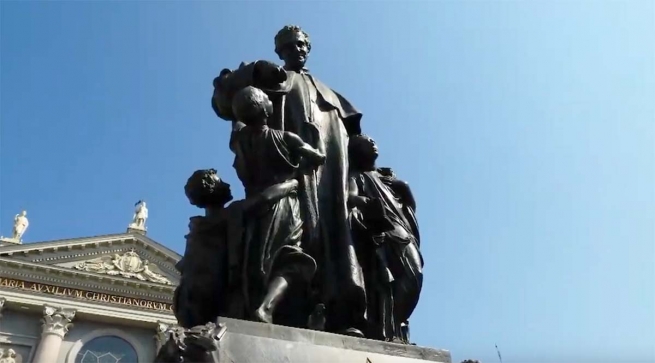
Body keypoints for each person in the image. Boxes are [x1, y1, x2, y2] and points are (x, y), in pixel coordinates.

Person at [212, 25, 367, 336]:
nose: (297, 49)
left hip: (330, 183)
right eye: (289, 46)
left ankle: (338, 314)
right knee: (291, 243)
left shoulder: (330, 94)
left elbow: (353, 145)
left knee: (335, 238)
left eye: (301, 44)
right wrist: (255, 71)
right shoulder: (270, 80)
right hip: (290, 181)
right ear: (279, 51)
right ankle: (284, 309)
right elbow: (223, 101)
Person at [230, 86, 325, 325]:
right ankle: (266, 307)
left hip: (255, 205)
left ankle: (259, 305)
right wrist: (317, 136)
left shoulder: (240, 140)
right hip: (285, 204)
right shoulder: (286, 138)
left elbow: (236, 126)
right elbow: (318, 158)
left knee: (260, 258)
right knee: (288, 257)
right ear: (266, 108)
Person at [347, 134, 423, 343]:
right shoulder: (357, 176)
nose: (371, 142)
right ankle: (386, 329)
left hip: (402, 233)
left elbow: (409, 206)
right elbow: (350, 197)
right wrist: (366, 203)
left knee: (413, 277)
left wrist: (403, 187)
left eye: (372, 140)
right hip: (382, 233)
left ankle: (393, 326)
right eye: (364, 141)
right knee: (387, 283)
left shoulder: (388, 179)